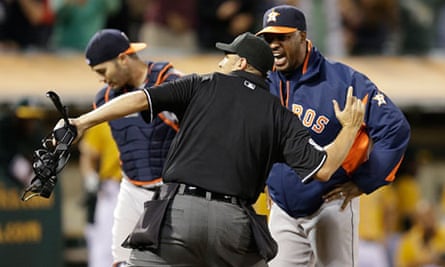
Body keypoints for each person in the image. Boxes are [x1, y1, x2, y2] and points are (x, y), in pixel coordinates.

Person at [53, 31, 365, 266]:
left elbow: (138, 99)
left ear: (241, 63)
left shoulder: (202, 84)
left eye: (227, 56)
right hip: (235, 227)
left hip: (178, 214)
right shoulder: (279, 113)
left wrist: (83, 121)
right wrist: (349, 129)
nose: (221, 61)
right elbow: (324, 168)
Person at [255, 5, 411, 267]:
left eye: (282, 37)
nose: (274, 45)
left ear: (302, 37)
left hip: (330, 204)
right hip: (283, 208)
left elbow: (395, 128)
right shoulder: (265, 80)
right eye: (269, 38)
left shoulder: (342, 81)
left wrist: (364, 181)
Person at [83, 28, 182, 266]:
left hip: (174, 191)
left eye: (103, 71)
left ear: (123, 58)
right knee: (120, 261)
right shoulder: (104, 99)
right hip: (130, 187)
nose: (103, 79)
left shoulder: (170, 82)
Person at [78, 122, 121, 267]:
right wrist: (90, 178)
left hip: (145, 187)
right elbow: (87, 155)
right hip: (112, 188)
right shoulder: (106, 118)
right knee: (104, 246)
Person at [0, 98, 46, 186]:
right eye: (26, 119)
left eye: (33, 119)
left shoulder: (37, 133)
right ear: (16, 117)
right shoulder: (4, 128)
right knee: (21, 166)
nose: (30, 123)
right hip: (7, 164)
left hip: (24, 172)